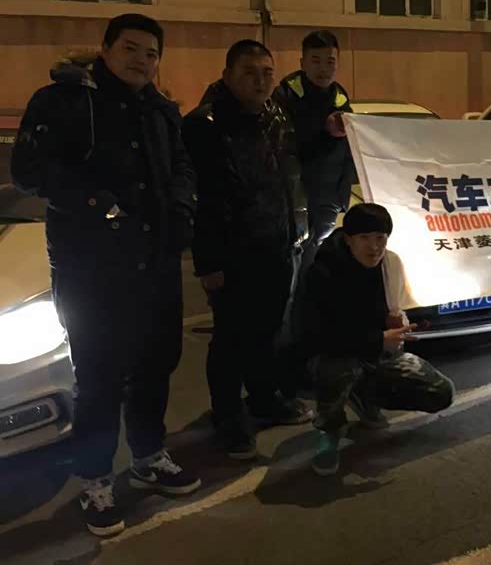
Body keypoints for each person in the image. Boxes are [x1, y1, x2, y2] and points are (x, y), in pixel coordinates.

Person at [11, 14, 200, 537]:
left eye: (151, 53)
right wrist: (100, 204)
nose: (142, 60)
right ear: (106, 49)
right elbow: (29, 171)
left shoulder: (160, 109)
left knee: (156, 364)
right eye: (131, 49)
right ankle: (95, 480)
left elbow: (182, 166)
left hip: (156, 262)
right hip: (92, 267)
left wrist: (182, 207)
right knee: (99, 377)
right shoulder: (65, 102)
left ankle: (148, 455)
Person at [182, 40, 313, 461]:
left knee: (267, 330)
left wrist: (295, 232)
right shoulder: (204, 125)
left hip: (277, 243)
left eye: (266, 72)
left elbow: (288, 178)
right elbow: (201, 200)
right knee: (231, 338)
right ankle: (227, 417)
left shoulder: (275, 116)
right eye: (249, 72)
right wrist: (209, 263)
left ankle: (263, 399)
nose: (260, 80)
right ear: (227, 76)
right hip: (233, 254)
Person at [297, 203, 455, 476]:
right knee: (335, 368)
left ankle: (363, 396)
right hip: (335, 351)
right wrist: (379, 339)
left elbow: (394, 309)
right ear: (349, 239)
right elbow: (318, 335)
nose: (374, 247)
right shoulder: (323, 272)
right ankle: (329, 430)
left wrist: (397, 323)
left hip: (378, 351)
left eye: (380, 238)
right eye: (364, 238)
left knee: (440, 392)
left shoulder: (391, 263)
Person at [273, 30, 354, 246]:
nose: (323, 69)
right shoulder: (285, 96)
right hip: (293, 197)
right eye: (316, 61)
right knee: (295, 254)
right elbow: (281, 144)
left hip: (328, 200)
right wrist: (323, 129)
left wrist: (342, 195)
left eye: (330, 62)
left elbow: (348, 153)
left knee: (318, 254)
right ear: (303, 63)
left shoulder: (340, 99)